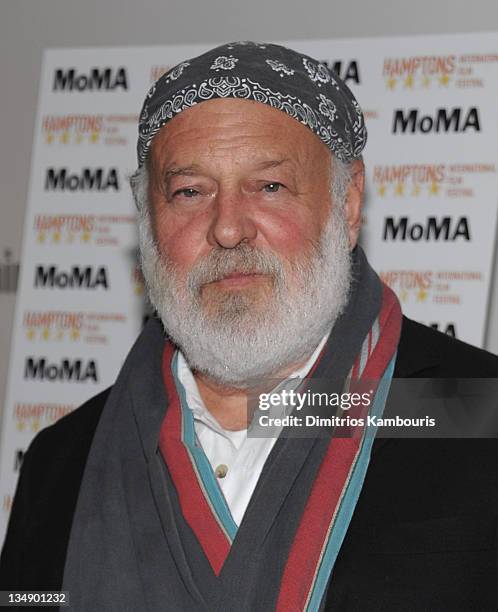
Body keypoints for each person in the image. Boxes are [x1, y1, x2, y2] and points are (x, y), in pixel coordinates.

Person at [1, 42, 497, 611]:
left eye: (269, 187)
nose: (228, 229)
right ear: (148, 220)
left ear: (348, 203)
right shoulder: (62, 462)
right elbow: (26, 601)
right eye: (190, 192)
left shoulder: (477, 413)